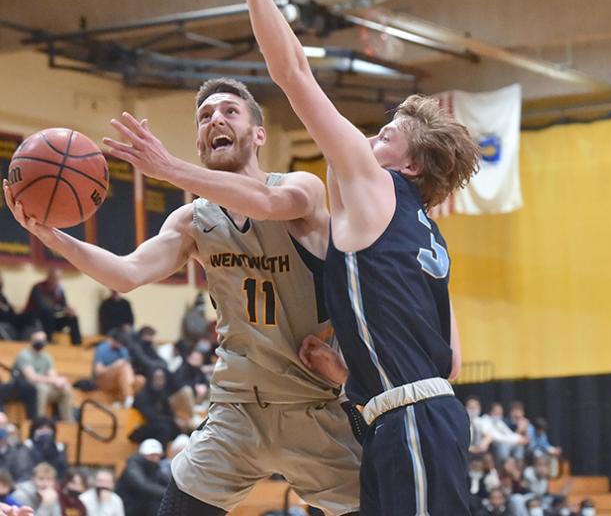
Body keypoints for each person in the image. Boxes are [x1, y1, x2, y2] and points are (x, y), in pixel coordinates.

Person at [4, 75, 362, 515]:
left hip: (313, 405)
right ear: (199, 141)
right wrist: (54, 238)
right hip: (238, 410)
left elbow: (267, 205)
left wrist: (168, 169)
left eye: (230, 111)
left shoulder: (302, 187)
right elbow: (127, 273)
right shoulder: (193, 220)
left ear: (258, 134)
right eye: (205, 116)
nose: (216, 120)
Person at [242, 0, 480, 513]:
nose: (369, 137)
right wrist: (351, 377)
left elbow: (292, 71)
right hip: (412, 416)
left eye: (386, 134)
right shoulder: (429, 236)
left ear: (410, 167)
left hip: (412, 421)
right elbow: (453, 361)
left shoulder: (379, 187)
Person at [12, 331, 73, 422]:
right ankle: (38, 422)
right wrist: (53, 380)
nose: (40, 342)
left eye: (42, 340)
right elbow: (32, 377)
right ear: (31, 341)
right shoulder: (24, 355)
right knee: (42, 388)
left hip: (43, 387)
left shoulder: (46, 357)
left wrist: (58, 381)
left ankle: (68, 422)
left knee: (66, 387)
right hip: (24, 388)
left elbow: (52, 374)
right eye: (37, 340)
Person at [22, 269, 81, 346]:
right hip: (36, 318)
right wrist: (61, 309)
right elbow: (43, 306)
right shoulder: (38, 287)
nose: (56, 281)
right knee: (47, 313)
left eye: (59, 279)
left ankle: (77, 344)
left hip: (52, 320)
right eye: (54, 278)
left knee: (72, 317)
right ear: (49, 278)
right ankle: (48, 341)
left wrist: (68, 310)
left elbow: (63, 306)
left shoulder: (59, 291)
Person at [92, 329, 143, 408]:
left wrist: (128, 377)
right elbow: (98, 371)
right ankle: (129, 399)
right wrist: (115, 366)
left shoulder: (123, 349)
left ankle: (122, 401)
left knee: (140, 380)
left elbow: (127, 368)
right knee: (122, 367)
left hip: (121, 379)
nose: (121, 347)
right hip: (102, 380)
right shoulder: (102, 348)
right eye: (120, 344)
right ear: (114, 340)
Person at [116, 439, 167, 516]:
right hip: (129, 508)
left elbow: (167, 481)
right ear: (142, 455)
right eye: (152, 455)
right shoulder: (133, 467)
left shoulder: (156, 468)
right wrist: (166, 493)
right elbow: (142, 485)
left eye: (157, 456)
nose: (155, 459)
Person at [0, 271, 23, 341]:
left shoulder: (2, 296)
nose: (2, 280)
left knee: (29, 319)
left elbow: (9, 308)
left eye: (1, 278)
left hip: (10, 321)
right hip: (2, 323)